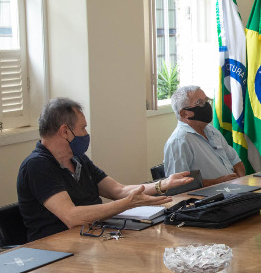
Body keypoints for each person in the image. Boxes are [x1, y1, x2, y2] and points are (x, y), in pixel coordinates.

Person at [18, 98, 193, 242]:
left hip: (90, 236)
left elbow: (119, 191)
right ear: (65, 131)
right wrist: (127, 204)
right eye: (83, 128)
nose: (86, 134)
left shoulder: (78, 159)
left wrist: (163, 184)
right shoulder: (38, 165)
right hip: (56, 247)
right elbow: (71, 217)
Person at [164, 85, 245, 186]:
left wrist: (241, 184)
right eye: (199, 103)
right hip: (210, 198)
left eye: (206, 101)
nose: (206, 106)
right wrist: (217, 182)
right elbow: (178, 185)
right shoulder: (178, 141)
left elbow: (236, 161)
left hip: (235, 191)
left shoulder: (211, 130)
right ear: (184, 113)